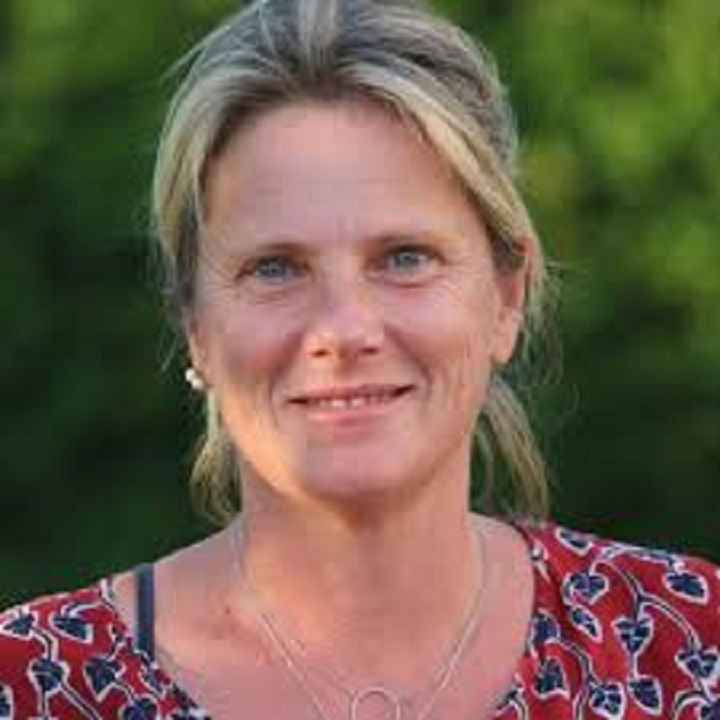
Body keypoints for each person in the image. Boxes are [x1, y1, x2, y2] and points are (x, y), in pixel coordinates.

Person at [1, 0, 719, 718]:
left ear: (506, 297)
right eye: (276, 268)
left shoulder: (690, 649)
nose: (344, 330)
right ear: (194, 324)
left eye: (405, 257)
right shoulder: (29, 687)